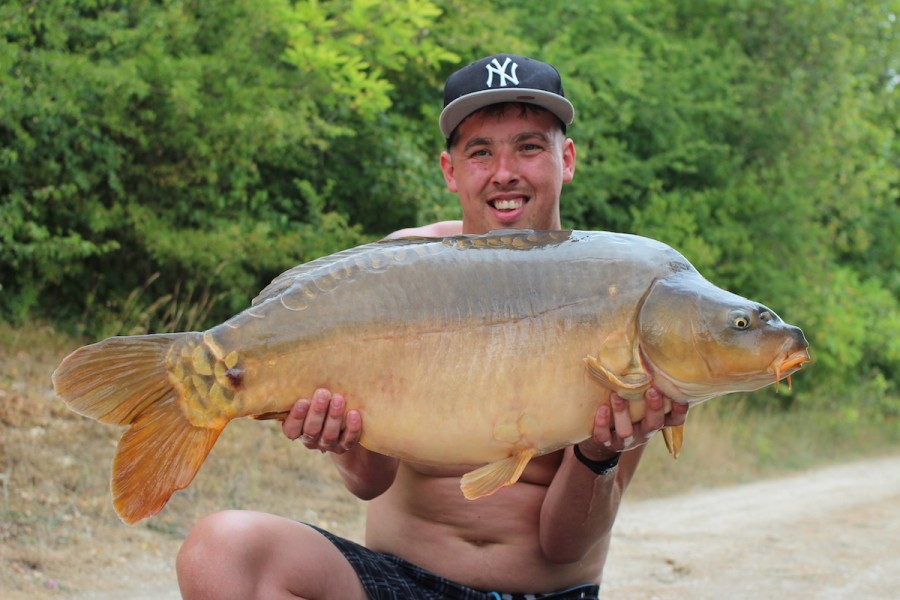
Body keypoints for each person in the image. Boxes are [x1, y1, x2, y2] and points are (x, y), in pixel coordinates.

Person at [176, 53, 689, 600]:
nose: (505, 172)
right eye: (480, 151)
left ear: (566, 159)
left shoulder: (619, 290)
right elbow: (371, 483)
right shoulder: (399, 270)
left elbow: (564, 545)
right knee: (221, 550)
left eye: (529, 146)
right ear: (450, 170)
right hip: (400, 583)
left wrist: (600, 452)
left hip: (546, 591)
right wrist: (340, 439)